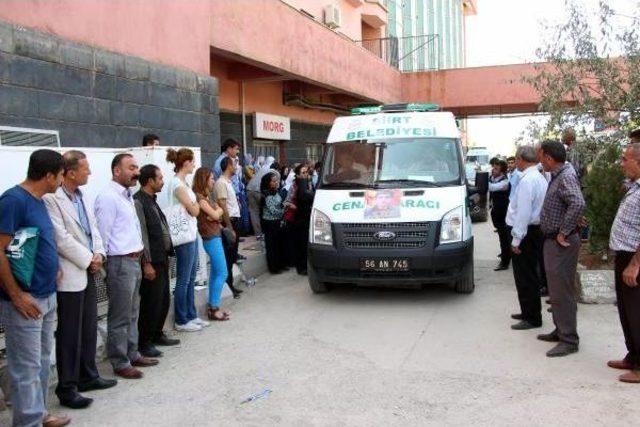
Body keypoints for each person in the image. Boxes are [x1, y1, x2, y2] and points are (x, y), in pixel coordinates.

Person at [0, 149, 70, 427]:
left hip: (46, 292)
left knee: (41, 360)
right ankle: (27, 421)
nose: (63, 181)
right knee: (25, 366)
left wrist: (54, 266)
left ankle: (39, 414)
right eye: (62, 175)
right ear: (49, 175)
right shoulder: (12, 201)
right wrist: (16, 295)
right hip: (25, 299)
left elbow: (34, 241)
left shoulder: (39, 200)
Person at [43, 151, 117, 410]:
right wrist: (89, 259)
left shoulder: (83, 196)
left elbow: (93, 228)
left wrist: (99, 253)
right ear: (70, 172)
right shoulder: (52, 199)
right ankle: (68, 387)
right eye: (85, 169)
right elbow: (60, 238)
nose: (89, 173)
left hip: (89, 267)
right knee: (69, 333)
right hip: (71, 271)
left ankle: (88, 375)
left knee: (87, 327)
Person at [95, 153, 159, 379]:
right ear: (116, 171)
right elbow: (102, 235)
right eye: (131, 167)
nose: (137, 172)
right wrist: (104, 266)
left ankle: (132, 353)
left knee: (133, 312)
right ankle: (120, 361)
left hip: (133, 260)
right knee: (120, 316)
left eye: (137, 167)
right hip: (119, 262)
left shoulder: (127, 196)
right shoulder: (107, 197)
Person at [537, 140, 586, 358]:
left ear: (548, 157)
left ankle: (569, 340)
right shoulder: (559, 175)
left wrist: (563, 231)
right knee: (556, 291)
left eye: (541, 156)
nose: (540, 160)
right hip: (553, 242)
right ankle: (560, 330)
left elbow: (578, 203)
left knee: (562, 292)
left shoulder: (565, 176)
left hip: (560, 244)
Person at [134, 165, 180, 358]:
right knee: (150, 302)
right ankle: (144, 342)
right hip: (151, 261)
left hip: (162, 257)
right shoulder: (138, 201)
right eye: (159, 178)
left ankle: (157, 333)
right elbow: (142, 235)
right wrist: (146, 263)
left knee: (162, 300)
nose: (162, 181)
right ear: (150, 181)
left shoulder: (152, 200)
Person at [165, 148, 210, 332]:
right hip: (183, 236)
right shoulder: (177, 184)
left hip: (190, 234)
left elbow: (194, 208)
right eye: (192, 161)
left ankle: (191, 315)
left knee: (191, 277)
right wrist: (195, 206)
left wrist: (194, 206)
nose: (194, 165)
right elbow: (195, 211)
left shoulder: (182, 182)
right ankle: (182, 319)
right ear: (185, 163)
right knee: (184, 279)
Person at [506, 145, 548, 331]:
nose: (515, 163)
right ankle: (528, 311)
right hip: (532, 231)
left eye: (516, 159)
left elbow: (523, 213)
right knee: (529, 274)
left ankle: (531, 317)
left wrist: (516, 239)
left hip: (526, 232)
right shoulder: (537, 177)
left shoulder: (527, 181)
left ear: (521, 159)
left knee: (525, 276)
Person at [608, 143, 640, 383]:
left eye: (624, 159)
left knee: (636, 312)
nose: (621, 163)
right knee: (626, 311)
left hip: (634, 258)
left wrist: (635, 263)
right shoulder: (634, 186)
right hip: (624, 255)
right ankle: (633, 356)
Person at [192, 167, 230, 321]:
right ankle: (213, 308)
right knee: (223, 273)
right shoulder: (201, 199)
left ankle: (214, 306)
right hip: (211, 239)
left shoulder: (206, 197)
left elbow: (217, 214)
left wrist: (217, 214)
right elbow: (216, 213)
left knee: (215, 273)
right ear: (204, 180)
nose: (214, 181)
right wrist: (217, 212)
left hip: (214, 237)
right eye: (211, 178)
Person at [214, 156, 244, 298]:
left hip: (234, 221)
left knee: (232, 256)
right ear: (228, 166)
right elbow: (223, 206)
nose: (236, 166)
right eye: (234, 164)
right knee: (228, 256)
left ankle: (231, 285)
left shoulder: (228, 182)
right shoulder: (221, 183)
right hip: (229, 222)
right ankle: (229, 287)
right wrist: (230, 227)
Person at [285, 164, 315, 275]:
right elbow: (287, 202)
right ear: (297, 175)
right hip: (298, 219)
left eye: (307, 172)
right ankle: (301, 267)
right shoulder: (294, 186)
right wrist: (296, 207)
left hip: (308, 217)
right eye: (303, 172)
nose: (305, 174)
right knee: (300, 244)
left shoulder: (309, 184)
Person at [260, 171, 287, 274]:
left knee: (279, 245)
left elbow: (279, 203)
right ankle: (274, 268)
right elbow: (274, 211)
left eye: (277, 181)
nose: (276, 183)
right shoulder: (267, 195)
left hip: (277, 222)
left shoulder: (276, 192)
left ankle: (280, 265)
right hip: (270, 223)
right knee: (272, 246)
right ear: (268, 183)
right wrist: (285, 209)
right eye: (274, 181)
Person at [247, 156, 278, 239]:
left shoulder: (263, 168)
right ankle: (267, 232)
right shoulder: (274, 172)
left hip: (250, 189)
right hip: (260, 191)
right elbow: (275, 187)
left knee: (254, 212)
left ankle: (258, 234)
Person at [489, 159, 511, 271]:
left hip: (503, 213)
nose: (493, 170)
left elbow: (492, 188)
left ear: (502, 171)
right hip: (496, 212)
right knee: (502, 236)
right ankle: (505, 253)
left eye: (496, 168)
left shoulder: (505, 182)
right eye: (493, 167)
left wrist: (483, 182)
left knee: (504, 237)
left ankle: (505, 261)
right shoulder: (493, 179)